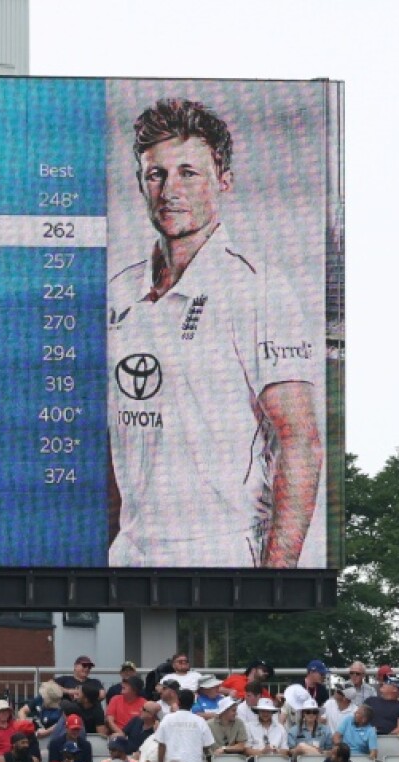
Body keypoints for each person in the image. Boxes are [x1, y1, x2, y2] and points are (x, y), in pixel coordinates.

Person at [106, 97, 322, 570]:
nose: (170, 190)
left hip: (218, 548)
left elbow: (300, 441)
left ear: (223, 181)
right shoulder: (118, 291)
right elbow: (114, 437)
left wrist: (276, 580)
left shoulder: (258, 288)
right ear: (141, 183)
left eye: (189, 172)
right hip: (127, 551)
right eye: (156, 174)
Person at [152, 690, 214, 762]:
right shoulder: (200, 721)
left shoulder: (167, 719)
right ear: (193, 703)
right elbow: (207, 745)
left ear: (178, 701)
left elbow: (161, 745)